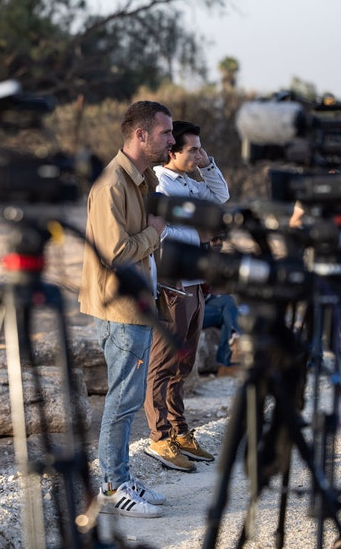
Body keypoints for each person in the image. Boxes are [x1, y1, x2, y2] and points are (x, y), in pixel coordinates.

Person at [79, 101, 173, 518]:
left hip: (137, 304)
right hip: (120, 309)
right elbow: (115, 253)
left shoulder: (142, 179)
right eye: (165, 133)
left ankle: (120, 476)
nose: (171, 140)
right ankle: (113, 487)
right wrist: (154, 234)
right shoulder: (111, 185)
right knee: (122, 400)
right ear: (140, 135)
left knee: (129, 399)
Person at [143, 120, 230, 472]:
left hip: (196, 284)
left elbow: (220, 197)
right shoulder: (159, 184)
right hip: (173, 285)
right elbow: (160, 234)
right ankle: (159, 437)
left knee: (184, 364)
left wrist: (207, 165)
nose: (198, 153)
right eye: (192, 149)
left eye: (200, 147)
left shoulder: (189, 183)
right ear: (172, 151)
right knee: (162, 365)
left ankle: (180, 432)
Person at [201, 235, 241, 376]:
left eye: (221, 239)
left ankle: (223, 364)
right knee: (229, 304)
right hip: (198, 308)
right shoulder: (200, 257)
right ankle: (235, 340)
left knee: (228, 315)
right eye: (215, 239)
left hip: (215, 303)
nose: (218, 242)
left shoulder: (223, 259)